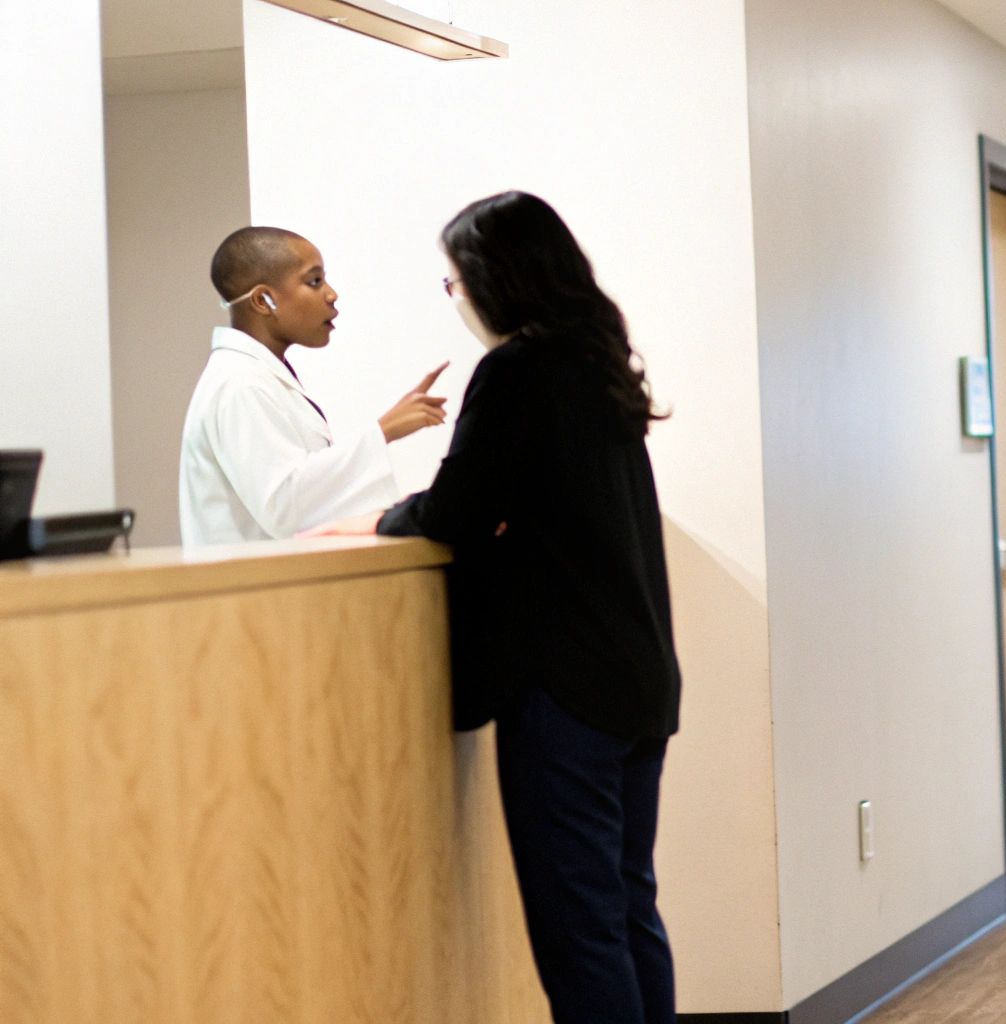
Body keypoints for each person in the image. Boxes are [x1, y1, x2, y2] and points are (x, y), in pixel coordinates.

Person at [307, 192, 683, 1024]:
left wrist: (380, 519)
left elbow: (456, 513)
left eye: (454, 281)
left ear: (494, 279)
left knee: (579, 930)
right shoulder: (598, 362)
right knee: (626, 909)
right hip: (638, 678)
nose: (456, 298)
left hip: (566, 696)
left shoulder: (518, 370)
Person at [179, 226, 450, 545]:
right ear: (263, 300)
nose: (332, 294)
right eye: (314, 281)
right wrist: (383, 431)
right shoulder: (239, 383)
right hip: (251, 590)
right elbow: (284, 508)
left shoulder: (259, 375)